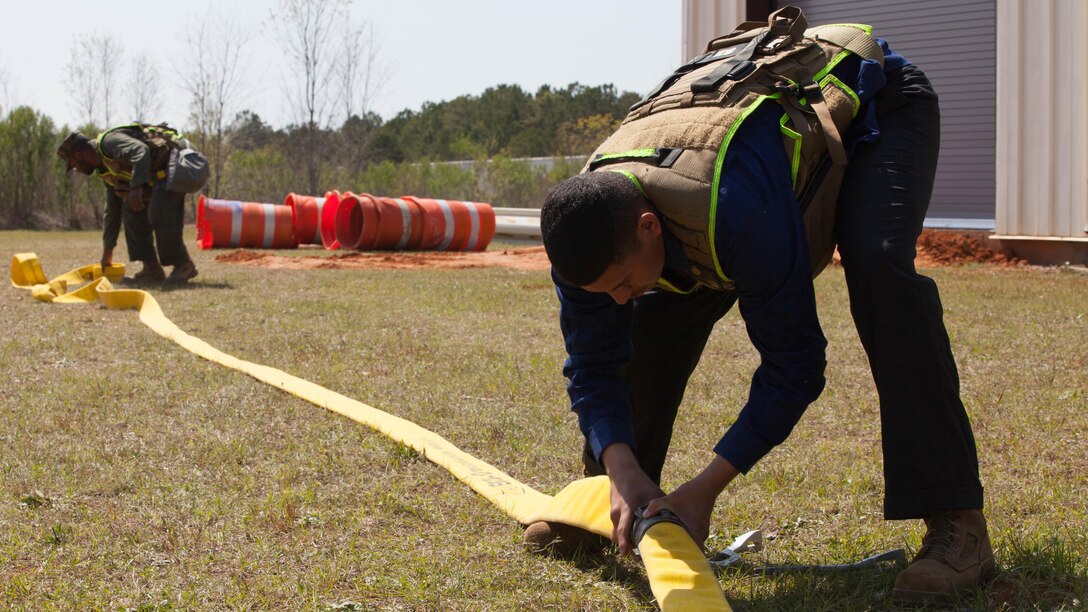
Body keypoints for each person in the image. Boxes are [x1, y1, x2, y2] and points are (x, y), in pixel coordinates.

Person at [530, 9, 995, 605]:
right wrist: (620, 466)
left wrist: (705, 488)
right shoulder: (586, 228)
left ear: (649, 226)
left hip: (878, 108)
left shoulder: (735, 211)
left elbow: (795, 364)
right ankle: (615, 499)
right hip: (738, 169)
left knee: (880, 274)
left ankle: (959, 528)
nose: (616, 298)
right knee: (651, 317)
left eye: (620, 280)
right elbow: (593, 364)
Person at [57, 125, 198, 284]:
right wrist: (107, 251)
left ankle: (183, 265)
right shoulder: (105, 168)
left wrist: (137, 187)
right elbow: (112, 209)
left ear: (78, 154)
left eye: (73, 164)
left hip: (179, 164)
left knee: (158, 211)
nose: (76, 169)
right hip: (160, 177)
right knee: (131, 209)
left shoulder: (109, 143)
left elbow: (141, 151)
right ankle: (151, 270)